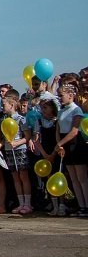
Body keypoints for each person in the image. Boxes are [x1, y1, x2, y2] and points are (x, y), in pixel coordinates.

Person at [56, 83, 87, 216]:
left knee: (82, 178)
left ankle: (87, 205)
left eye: (61, 95)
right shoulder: (61, 111)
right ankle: (81, 206)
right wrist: (59, 144)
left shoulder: (76, 110)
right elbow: (58, 129)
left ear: (70, 95)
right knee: (73, 178)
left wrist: (61, 143)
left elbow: (74, 131)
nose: (60, 98)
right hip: (64, 144)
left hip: (75, 143)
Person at [0, 89, 33, 214]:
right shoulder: (4, 120)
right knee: (15, 177)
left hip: (20, 150)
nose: (2, 107)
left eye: (4, 105)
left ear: (12, 105)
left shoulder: (20, 119)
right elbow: (5, 137)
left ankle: (28, 203)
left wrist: (17, 143)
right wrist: (1, 144)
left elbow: (27, 136)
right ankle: (20, 203)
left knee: (23, 176)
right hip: (9, 150)